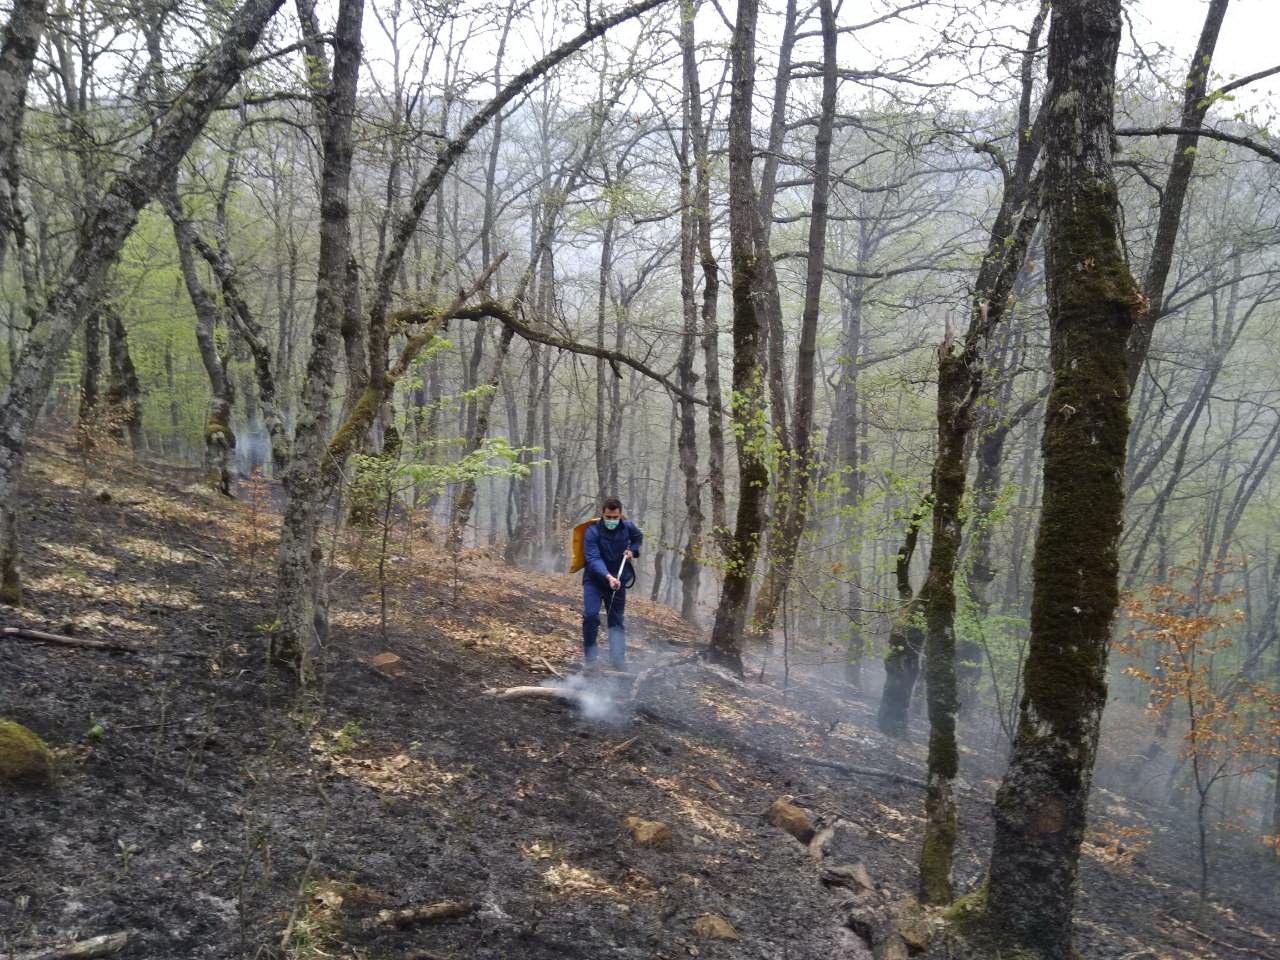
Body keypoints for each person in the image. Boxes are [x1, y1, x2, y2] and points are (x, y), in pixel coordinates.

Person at [581, 497, 643, 671]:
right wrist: (608, 576)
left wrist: (633, 551)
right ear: (603, 514)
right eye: (608, 517)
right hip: (594, 581)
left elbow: (638, 538)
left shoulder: (628, 527)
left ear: (620, 515)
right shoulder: (592, 532)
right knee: (591, 616)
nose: (611, 520)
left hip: (619, 581)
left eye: (615, 517)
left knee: (616, 621)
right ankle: (591, 661)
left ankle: (617, 661)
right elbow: (593, 558)